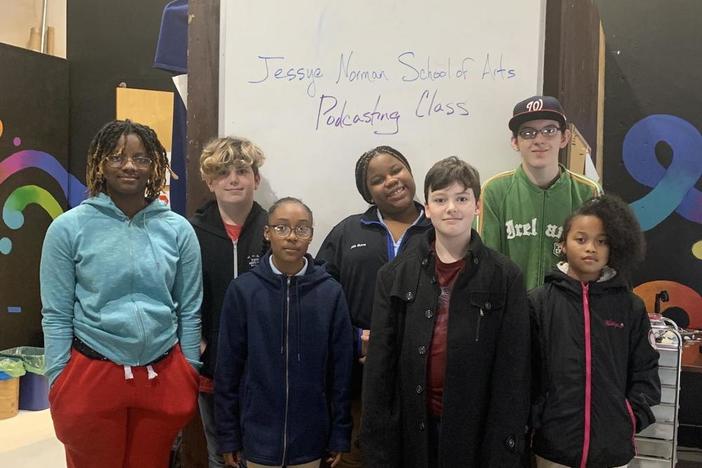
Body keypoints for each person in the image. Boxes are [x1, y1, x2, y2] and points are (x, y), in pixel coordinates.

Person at [40, 119, 202, 468]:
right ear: (100, 163)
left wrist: (189, 369)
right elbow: (55, 313)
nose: (129, 166)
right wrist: (58, 377)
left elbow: (190, 308)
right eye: (116, 157)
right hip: (91, 371)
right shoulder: (68, 228)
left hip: (163, 371)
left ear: (154, 164)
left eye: (141, 158)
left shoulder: (178, 230)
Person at [362, 156, 531, 467]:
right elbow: (380, 369)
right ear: (427, 208)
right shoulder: (394, 275)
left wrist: (506, 447)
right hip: (412, 430)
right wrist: (378, 445)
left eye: (462, 198)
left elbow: (514, 371)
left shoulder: (505, 277)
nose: (451, 208)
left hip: (477, 433)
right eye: (440, 199)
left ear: (477, 206)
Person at [215, 197, 353, 468]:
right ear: (267, 233)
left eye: (302, 229)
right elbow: (228, 370)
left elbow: (341, 372)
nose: (292, 237)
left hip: (311, 439)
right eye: (281, 227)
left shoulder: (330, 292)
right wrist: (228, 437)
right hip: (256, 438)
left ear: (311, 235)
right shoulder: (243, 290)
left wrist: (339, 434)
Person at [317, 145, 431, 467]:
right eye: (378, 179)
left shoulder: (439, 228)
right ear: (368, 193)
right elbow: (322, 299)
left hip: (421, 381)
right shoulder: (347, 232)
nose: (391, 181)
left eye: (396, 170)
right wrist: (356, 338)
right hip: (358, 383)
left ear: (410, 171)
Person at [529, 194, 661, 468]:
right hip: (554, 449)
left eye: (602, 241)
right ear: (562, 244)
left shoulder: (630, 307)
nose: (591, 248)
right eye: (581, 239)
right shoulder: (539, 303)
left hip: (611, 451)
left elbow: (645, 371)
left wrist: (630, 417)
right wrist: (537, 417)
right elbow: (524, 372)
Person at [190, 136, 269, 467]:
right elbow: (180, 294)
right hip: (214, 365)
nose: (233, 179)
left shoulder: (273, 229)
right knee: (221, 454)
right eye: (223, 173)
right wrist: (200, 343)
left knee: (259, 452)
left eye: (241, 170)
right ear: (210, 181)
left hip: (264, 364)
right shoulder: (191, 232)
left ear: (256, 178)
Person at [477, 95, 602, 290]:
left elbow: (596, 264)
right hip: (512, 312)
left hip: (568, 311)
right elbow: (486, 263)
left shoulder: (587, 192)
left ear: (564, 138)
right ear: (515, 142)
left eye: (549, 130)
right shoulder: (494, 191)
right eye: (528, 133)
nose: (539, 140)